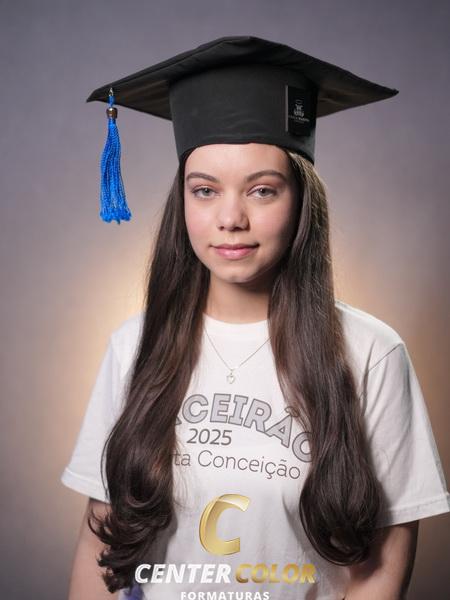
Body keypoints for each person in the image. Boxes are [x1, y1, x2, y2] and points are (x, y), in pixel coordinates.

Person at [61, 36, 450, 600]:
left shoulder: (371, 353)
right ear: (183, 202)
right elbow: (99, 542)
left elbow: (382, 568)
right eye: (205, 190)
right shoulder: (135, 345)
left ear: (301, 201)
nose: (231, 218)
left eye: (262, 190)